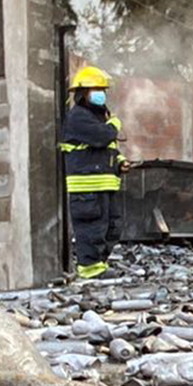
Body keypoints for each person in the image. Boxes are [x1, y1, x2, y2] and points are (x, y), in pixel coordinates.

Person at [60, 65, 129, 280]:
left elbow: (107, 149)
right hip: (86, 187)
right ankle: (90, 270)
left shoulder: (98, 117)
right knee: (91, 230)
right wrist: (115, 125)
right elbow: (102, 137)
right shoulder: (78, 117)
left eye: (102, 90)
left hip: (105, 184)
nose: (101, 94)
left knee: (112, 227)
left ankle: (100, 264)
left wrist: (119, 162)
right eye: (95, 90)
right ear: (83, 93)